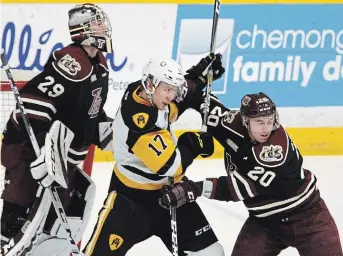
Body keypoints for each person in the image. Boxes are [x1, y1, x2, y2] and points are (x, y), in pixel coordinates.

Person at [161, 92, 343, 255]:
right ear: (245, 121)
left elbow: (235, 188)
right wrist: (188, 87)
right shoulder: (230, 123)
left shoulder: (275, 152)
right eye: (259, 122)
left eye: (270, 121)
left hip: (308, 218)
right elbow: (205, 102)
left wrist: (193, 188)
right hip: (264, 223)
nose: (266, 129)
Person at [83, 54, 226, 256]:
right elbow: (170, 165)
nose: (170, 96)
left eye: (173, 90)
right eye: (167, 90)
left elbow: (173, 107)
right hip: (130, 201)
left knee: (211, 253)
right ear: (151, 84)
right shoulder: (139, 121)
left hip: (171, 194)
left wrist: (197, 78)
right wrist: (194, 143)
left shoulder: (144, 91)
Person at [1, 3, 114, 256]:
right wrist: (42, 150)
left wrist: (111, 133)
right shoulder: (72, 61)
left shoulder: (99, 65)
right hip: (28, 149)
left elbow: (91, 110)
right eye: (97, 24)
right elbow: (33, 103)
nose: (103, 28)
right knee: (19, 204)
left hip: (60, 159)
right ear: (82, 30)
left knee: (50, 217)